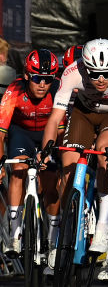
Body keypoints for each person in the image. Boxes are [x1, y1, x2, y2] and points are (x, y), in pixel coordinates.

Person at [40, 38, 108, 260]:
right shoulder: (72, 72)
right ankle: (64, 233)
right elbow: (55, 119)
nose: (101, 79)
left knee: (106, 158)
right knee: (68, 169)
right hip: (82, 114)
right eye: (94, 74)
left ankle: (102, 226)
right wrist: (46, 151)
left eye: (106, 73)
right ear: (85, 67)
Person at [0, 50, 60, 255]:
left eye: (47, 79)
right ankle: (15, 234)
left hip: (48, 133)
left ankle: (53, 238)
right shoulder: (14, 90)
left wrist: (51, 153)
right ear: (26, 75)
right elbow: (0, 132)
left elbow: (61, 129)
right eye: (37, 78)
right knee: (18, 168)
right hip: (21, 133)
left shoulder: (58, 90)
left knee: (51, 181)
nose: (42, 84)